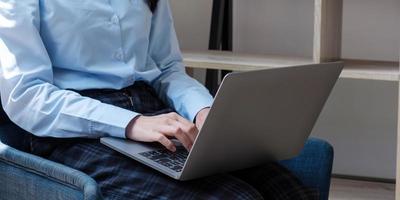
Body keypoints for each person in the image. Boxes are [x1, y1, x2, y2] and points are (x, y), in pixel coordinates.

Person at [0, 0, 318, 199]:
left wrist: (203, 110)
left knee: (290, 191)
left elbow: (166, 68)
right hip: (75, 129)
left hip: (153, 112)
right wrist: (131, 123)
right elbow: (26, 95)